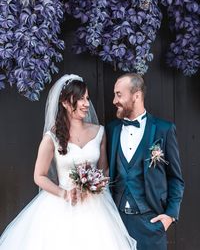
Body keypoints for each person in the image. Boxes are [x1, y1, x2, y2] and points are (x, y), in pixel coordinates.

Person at [0, 74, 137, 250]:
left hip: (96, 207)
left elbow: (104, 171)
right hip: (62, 203)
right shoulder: (52, 137)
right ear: (65, 102)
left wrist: (96, 184)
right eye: (80, 99)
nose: (86, 103)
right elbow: (39, 176)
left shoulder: (99, 132)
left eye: (87, 98)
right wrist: (64, 193)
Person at [106, 73, 184, 250]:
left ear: (137, 95)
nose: (114, 101)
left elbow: (176, 178)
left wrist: (170, 216)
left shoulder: (164, 130)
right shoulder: (111, 130)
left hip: (150, 223)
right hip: (115, 223)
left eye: (119, 94)